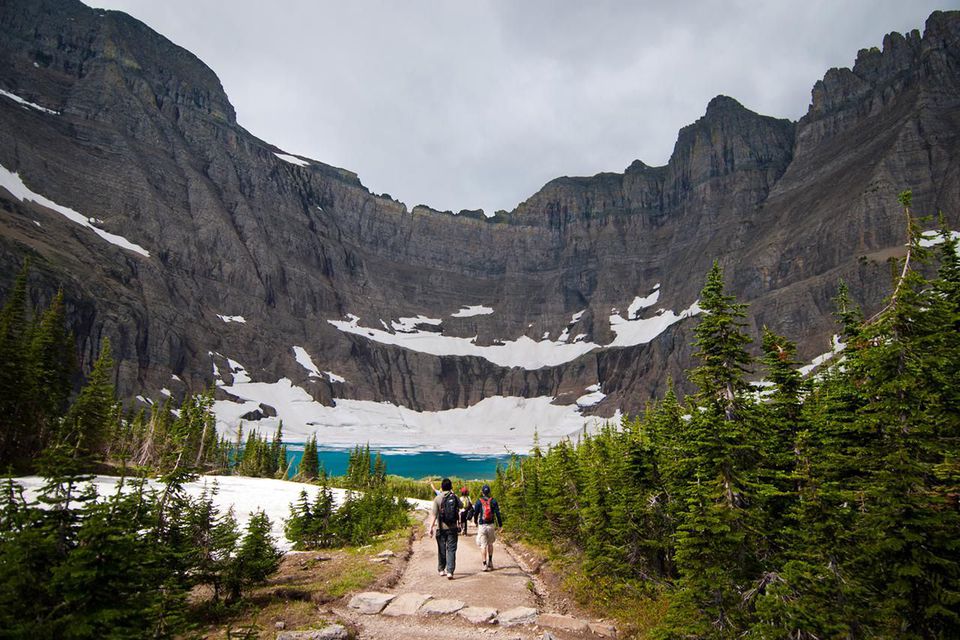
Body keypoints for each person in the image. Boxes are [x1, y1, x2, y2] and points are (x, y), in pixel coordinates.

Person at [428, 477, 461, 579]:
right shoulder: (454, 497)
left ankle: (441, 569)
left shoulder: (437, 498)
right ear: (450, 487)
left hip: (441, 528)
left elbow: (433, 515)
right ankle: (450, 571)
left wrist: (431, 528)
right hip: (453, 528)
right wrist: (454, 495)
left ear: (441, 487)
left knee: (441, 549)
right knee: (451, 549)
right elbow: (461, 505)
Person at [472, 484, 502, 571]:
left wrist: (475, 522)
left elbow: (476, 513)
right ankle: (490, 562)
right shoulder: (493, 501)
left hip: (482, 525)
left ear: (482, 492)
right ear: (489, 492)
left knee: (483, 545)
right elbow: (497, 514)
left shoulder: (478, 501)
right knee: (490, 544)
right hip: (491, 525)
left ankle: (484, 564)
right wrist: (500, 525)